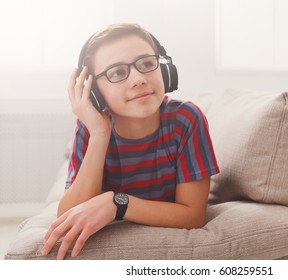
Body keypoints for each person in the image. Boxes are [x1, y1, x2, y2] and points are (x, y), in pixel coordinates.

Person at [41, 23, 219, 260]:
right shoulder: (90, 126)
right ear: (94, 92)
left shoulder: (186, 119)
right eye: (117, 72)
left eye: (146, 64)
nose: (138, 79)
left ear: (164, 70)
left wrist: (118, 203)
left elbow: (193, 216)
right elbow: (68, 214)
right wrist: (100, 134)